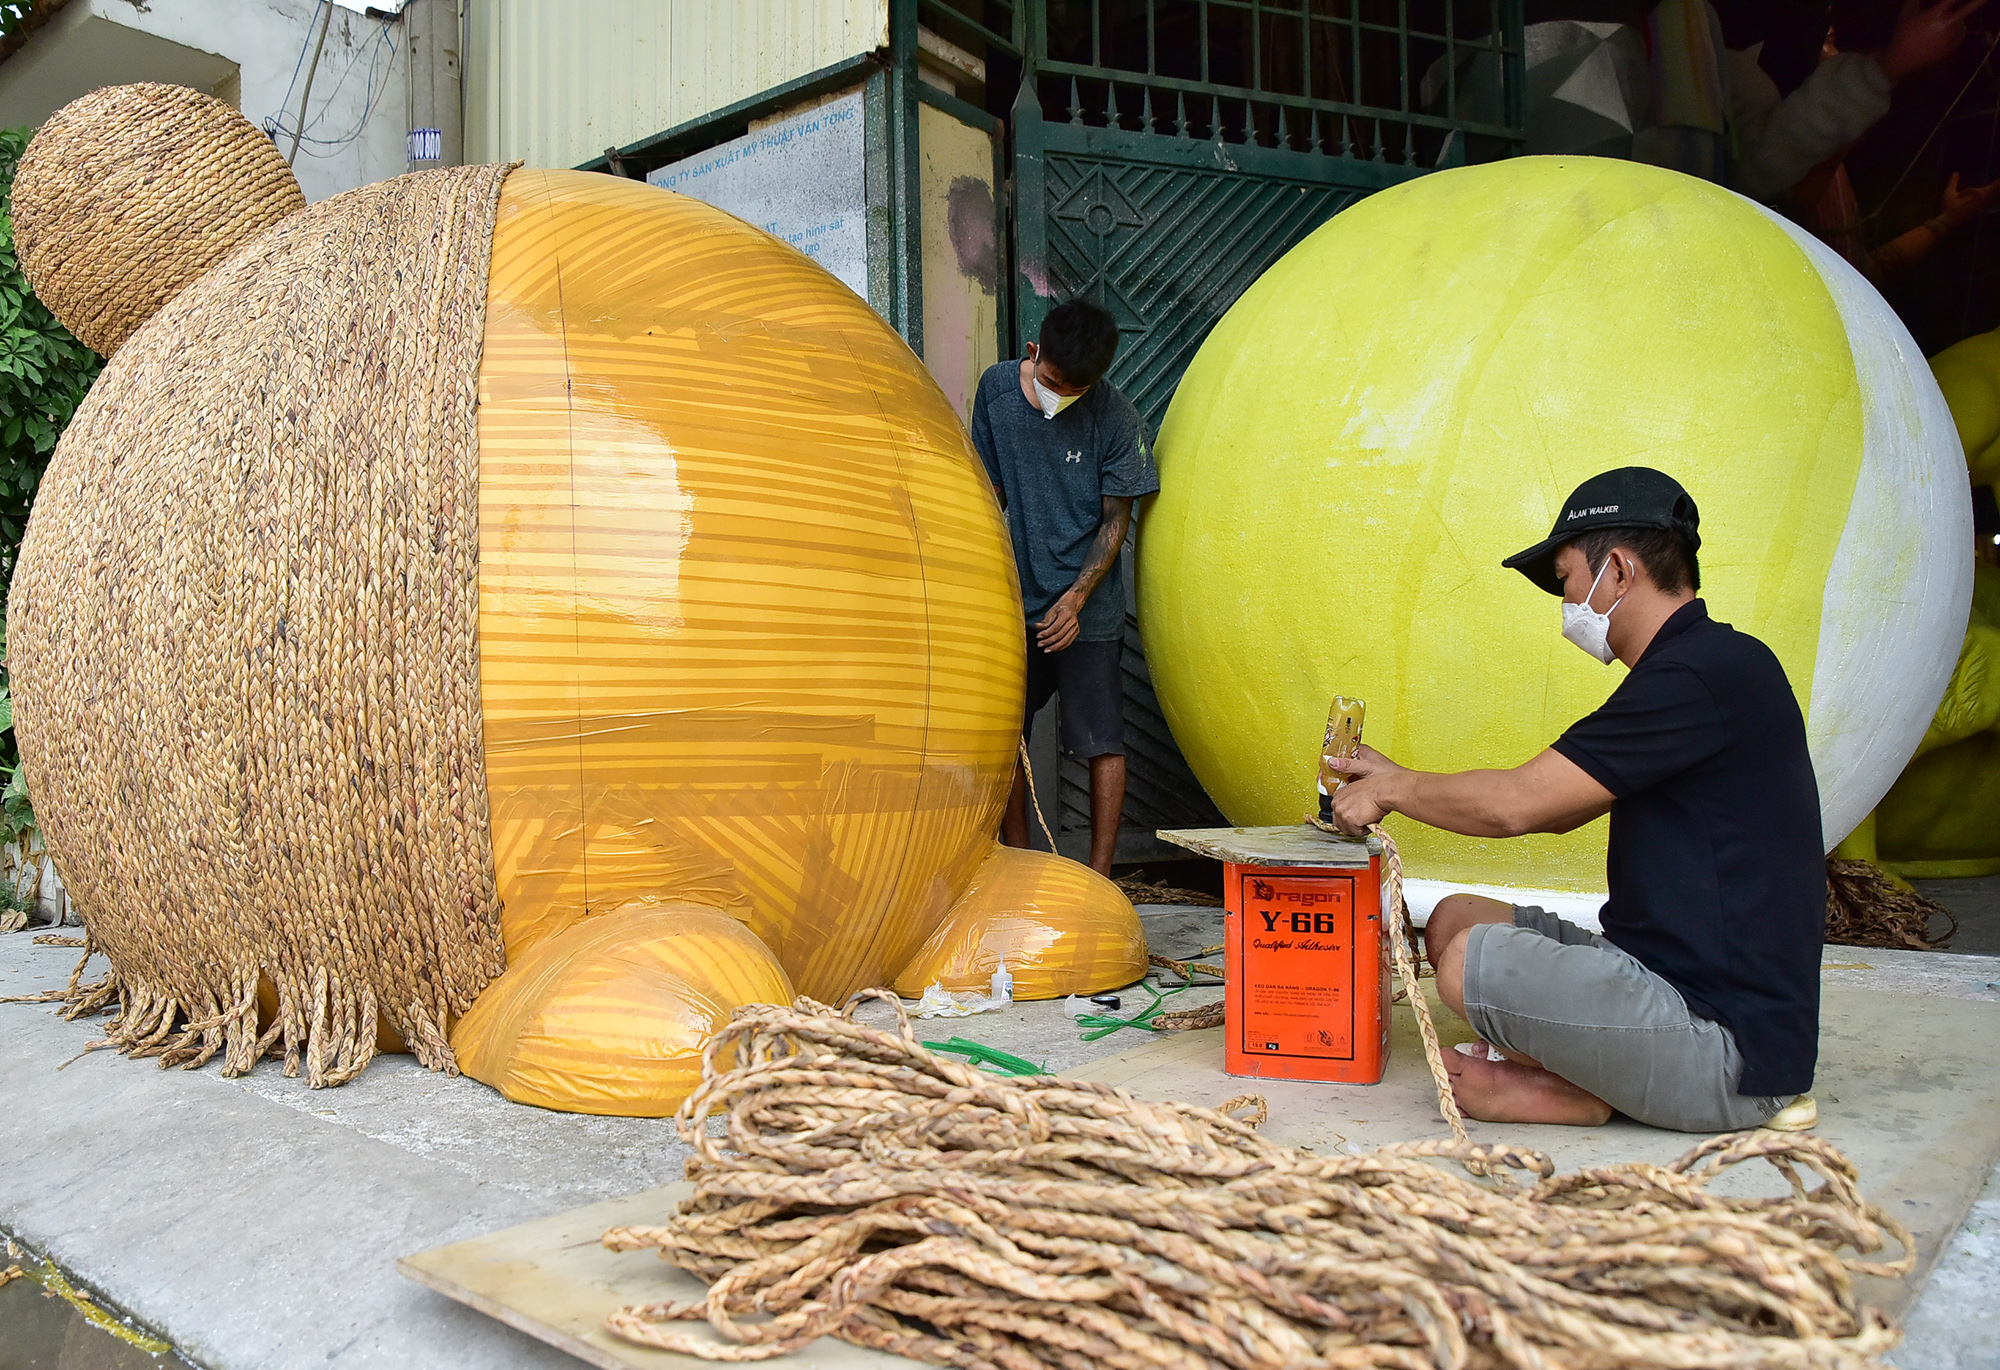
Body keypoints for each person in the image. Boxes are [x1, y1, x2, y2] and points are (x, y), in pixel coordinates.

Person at [1325, 468, 1825, 1133]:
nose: (1566, 604)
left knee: (1471, 960)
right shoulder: (1698, 668)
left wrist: (1393, 790)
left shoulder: (1701, 674)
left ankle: (1586, 1092)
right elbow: (1560, 810)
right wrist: (1399, 776)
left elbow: (1519, 805)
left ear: (1617, 570)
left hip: (1727, 1054)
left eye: (1566, 582)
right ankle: (1585, 1077)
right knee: (1452, 920)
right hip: (1659, 980)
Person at [970, 298, 1159, 875]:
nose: (1062, 395)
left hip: (1087, 612)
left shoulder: (1116, 417)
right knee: (1003, 738)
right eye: (1054, 382)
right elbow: (985, 491)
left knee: (1103, 741)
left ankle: (1101, 878)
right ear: (1034, 353)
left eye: (1076, 388)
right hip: (1010, 606)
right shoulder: (997, 393)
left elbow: (1115, 519)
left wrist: (1076, 598)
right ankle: (1018, 867)